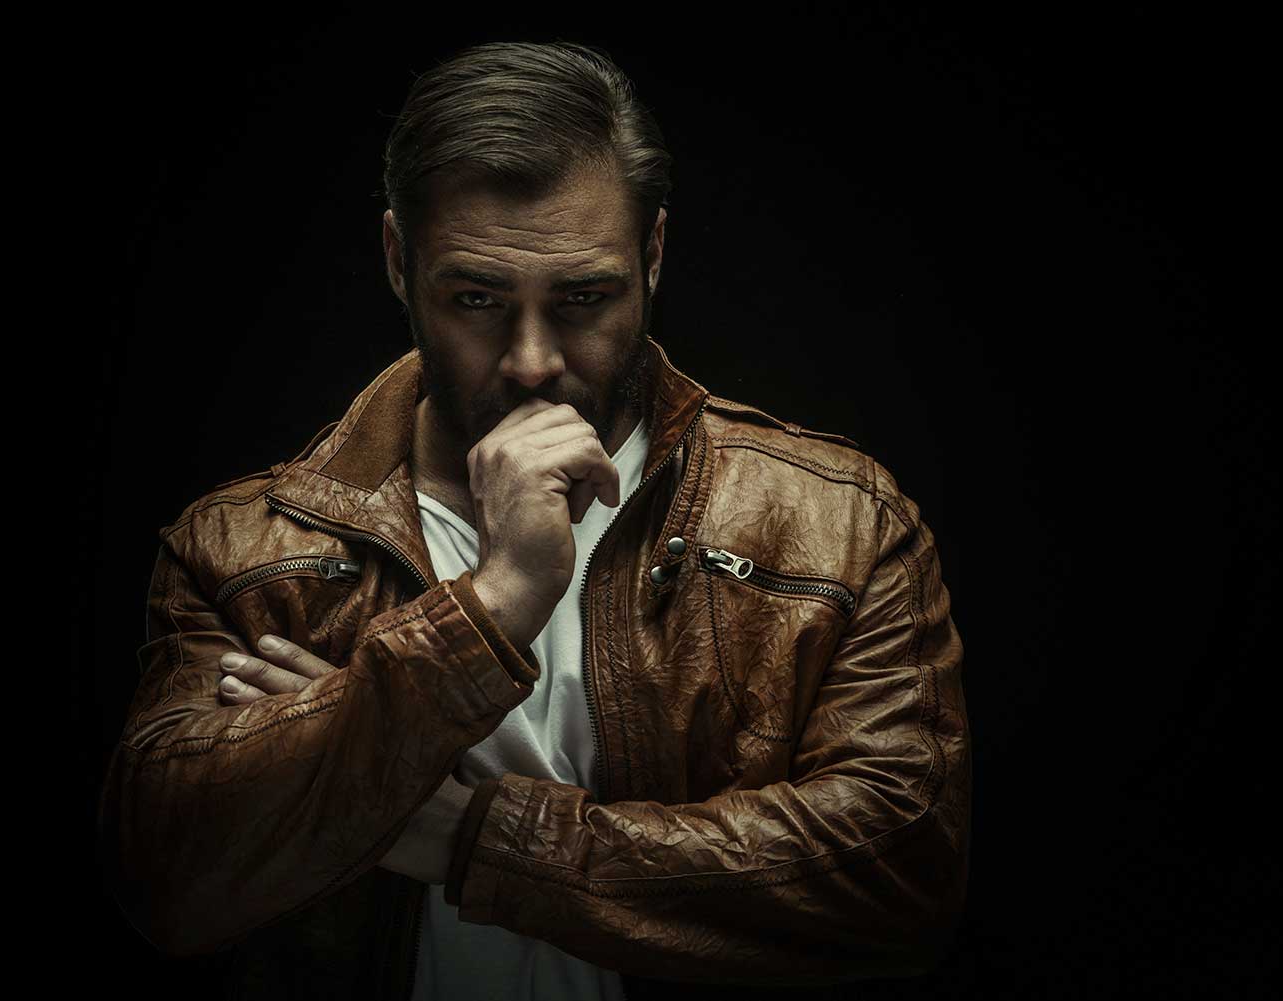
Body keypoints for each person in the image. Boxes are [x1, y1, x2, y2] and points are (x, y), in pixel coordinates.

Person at [98, 40, 971, 1001]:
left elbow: (901, 879)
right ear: (397, 261)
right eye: (476, 298)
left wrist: (463, 836)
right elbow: (168, 884)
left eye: (583, 298)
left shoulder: (836, 521)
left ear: (654, 254)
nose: (531, 360)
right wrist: (499, 600)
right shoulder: (242, 549)